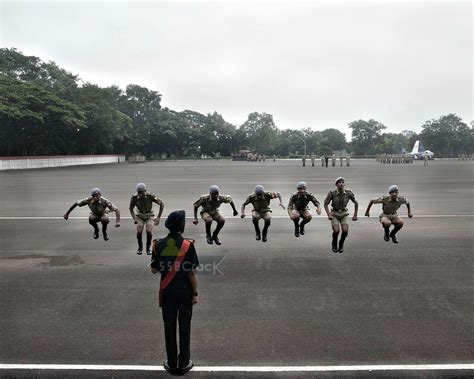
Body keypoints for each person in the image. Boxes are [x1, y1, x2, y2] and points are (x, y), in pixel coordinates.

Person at [151, 210, 199, 376]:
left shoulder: (158, 244)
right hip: (184, 292)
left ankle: (171, 363)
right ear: (181, 226)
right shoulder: (188, 245)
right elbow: (192, 274)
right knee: (184, 326)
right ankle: (184, 363)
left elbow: (153, 270)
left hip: (167, 291)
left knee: (169, 327)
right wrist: (195, 294)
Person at [323, 177, 358, 253]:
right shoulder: (332, 193)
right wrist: (328, 214)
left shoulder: (348, 193)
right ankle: (334, 244)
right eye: (339, 182)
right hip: (334, 214)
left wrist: (355, 214)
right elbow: (325, 204)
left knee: (345, 231)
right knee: (336, 231)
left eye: (342, 182)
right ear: (336, 184)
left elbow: (356, 202)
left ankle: (341, 244)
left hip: (344, 213)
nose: (341, 184)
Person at [129, 183, 164, 255]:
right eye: (139, 193)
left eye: (142, 192)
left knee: (148, 231)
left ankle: (148, 248)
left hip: (149, 215)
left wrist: (158, 218)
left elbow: (161, 204)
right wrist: (134, 218)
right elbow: (131, 209)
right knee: (139, 232)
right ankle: (140, 247)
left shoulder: (150, 196)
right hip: (140, 216)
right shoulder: (134, 197)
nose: (140, 194)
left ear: (145, 191)